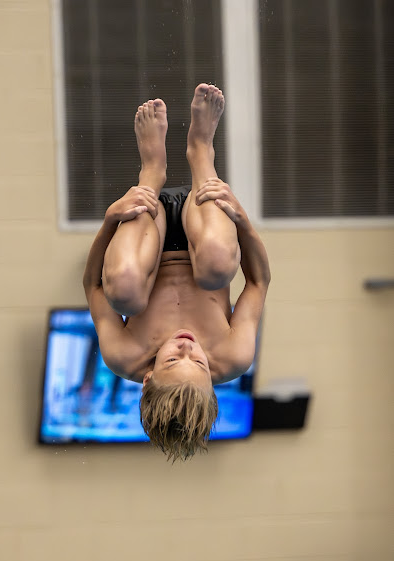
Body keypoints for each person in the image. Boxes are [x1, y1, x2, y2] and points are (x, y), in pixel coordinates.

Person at [83, 84, 271, 461]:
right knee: (217, 268)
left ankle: (152, 169)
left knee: (123, 292)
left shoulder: (123, 355)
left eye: (172, 360)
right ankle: (201, 150)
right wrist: (242, 220)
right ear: (212, 381)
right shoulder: (234, 355)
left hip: (148, 228)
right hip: (203, 224)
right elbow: (257, 281)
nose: (186, 348)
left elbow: (92, 285)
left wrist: (110, 219)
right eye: (198, 362)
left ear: (147, 379)